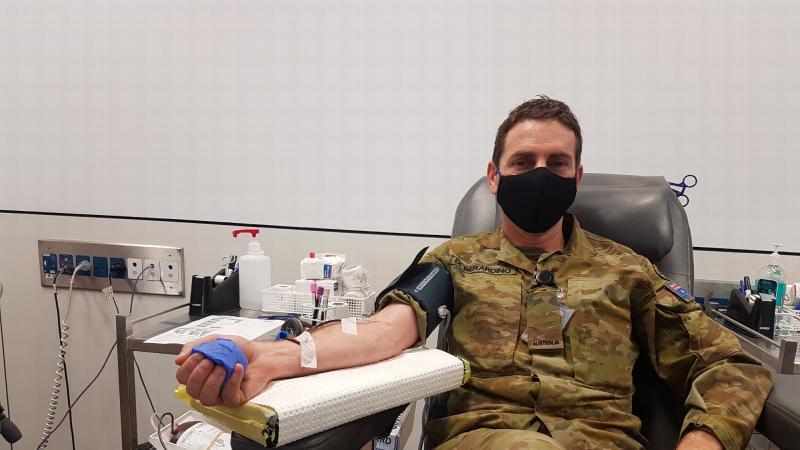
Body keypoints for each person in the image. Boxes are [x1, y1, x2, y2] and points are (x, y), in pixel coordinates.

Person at [176, 97, 772, 450]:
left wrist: (702, 441)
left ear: (576, 177)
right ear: (494, 176)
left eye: (555, 163)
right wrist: (274, 358)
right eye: (523, 162)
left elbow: (725, 360)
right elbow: (384, 332)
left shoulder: (628, 271)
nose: (539, 173)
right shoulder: (454, 262)